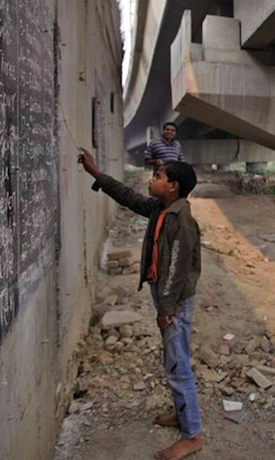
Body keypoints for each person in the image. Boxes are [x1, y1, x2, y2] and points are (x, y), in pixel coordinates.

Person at [77, 149, 203, 460]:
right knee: (173, 360)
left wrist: (165, 310)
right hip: (165, 298)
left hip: (173, 302)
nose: (151, 180)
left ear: (172, 186)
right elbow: (128, 197)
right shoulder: (161, 208)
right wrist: (96, 174)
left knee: (177, 366)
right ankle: (182, 415)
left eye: (158, 177)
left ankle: (192, 435)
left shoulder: (182, 221)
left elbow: (177, 271)